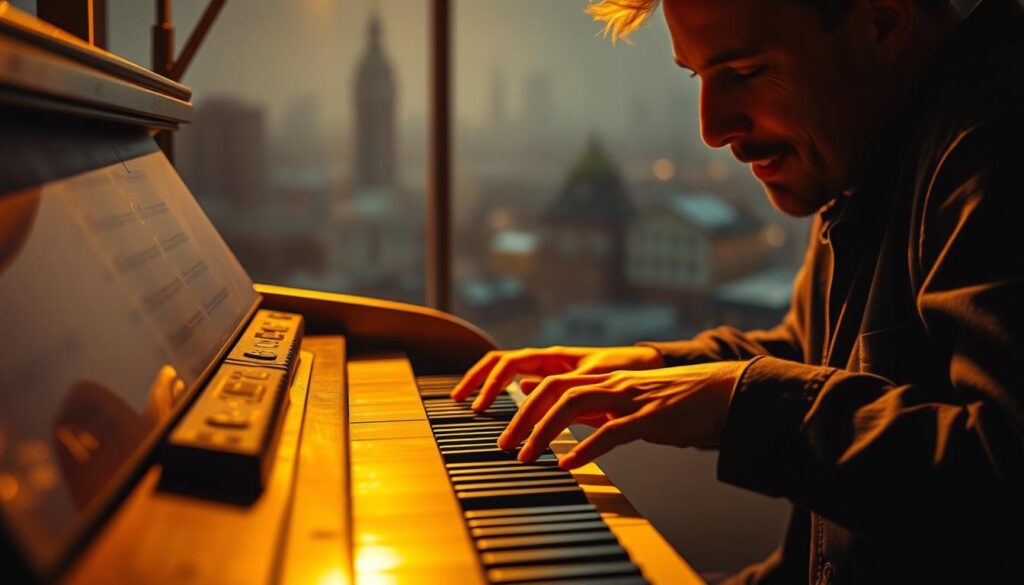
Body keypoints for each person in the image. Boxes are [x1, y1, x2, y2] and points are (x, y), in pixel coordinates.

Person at [451, 0, 1024, 583]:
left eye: (746, 72)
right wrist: (655, 367)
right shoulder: (869, 149)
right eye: (697, 77)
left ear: (880, 21)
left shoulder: (998, 138)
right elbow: (815, 355)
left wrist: (739, 403)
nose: (712, 129)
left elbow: (1003, 476)